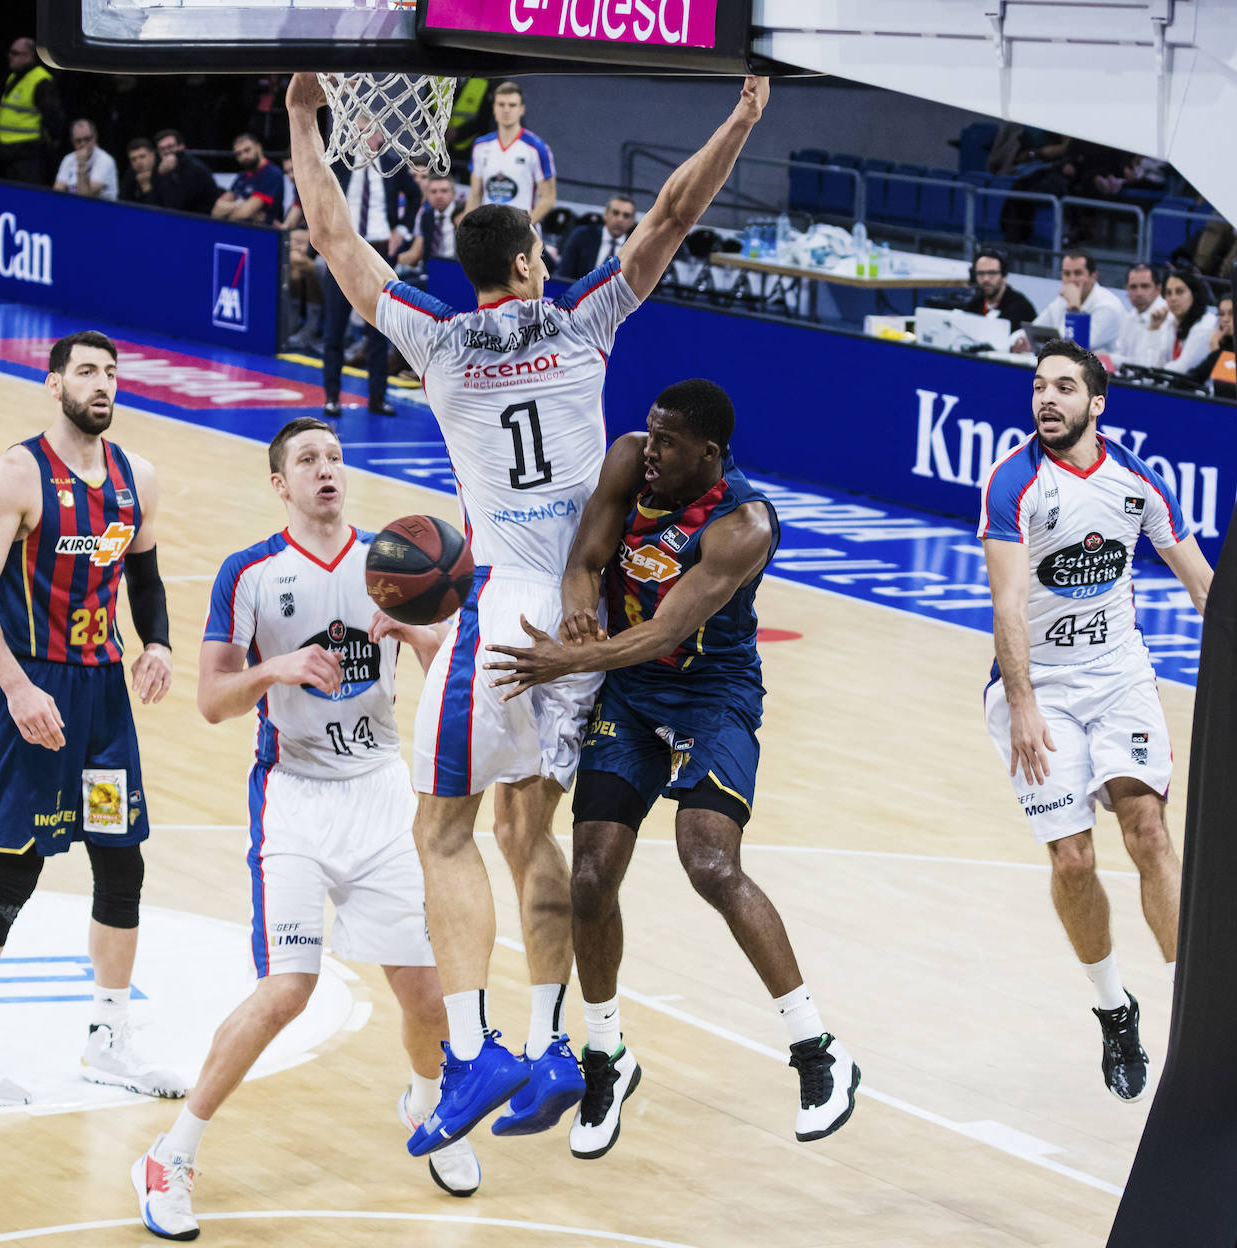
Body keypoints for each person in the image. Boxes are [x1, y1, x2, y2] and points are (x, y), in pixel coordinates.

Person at [286, 69, 770, 1156]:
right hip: (588, 628)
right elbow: (675, 213)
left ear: (474, 275)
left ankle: (473, 1052)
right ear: (528, 262)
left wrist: (303, 119)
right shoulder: (589, 320)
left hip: (504, 619)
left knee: (440, 832)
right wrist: (737, 122)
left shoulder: (440, 342)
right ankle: (558, 1045)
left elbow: (332, 232)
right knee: (525, 832)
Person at [485, 378, 861, 1155]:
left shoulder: (744, 525)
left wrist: (565, 658)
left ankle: (818, 1049)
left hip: (710, 698)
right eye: (650, 433)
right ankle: (606, 1055)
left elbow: (666, 631)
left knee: (710, 863)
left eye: (667, 442)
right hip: (630, 694)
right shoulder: (628, 462)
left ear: (710, 454)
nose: (648, 450)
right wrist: (581, 600)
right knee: (590, 876)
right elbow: (586, 557)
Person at [132, 418, 480, 1241]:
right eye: (306, 461)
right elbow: (213, 702)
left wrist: (423, 634)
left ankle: (427, 1105)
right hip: (292, 797)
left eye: (334, 456)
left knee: (424, 988)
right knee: (289, 988)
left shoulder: (392, 562)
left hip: (381, 795)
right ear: (279, 484)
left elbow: (445, 675)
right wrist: (275, 668)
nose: (326, 469)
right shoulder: (249, 573)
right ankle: (171, 1154)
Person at [0, 331, 183, 1108]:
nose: (102, 386)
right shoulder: (19, 472)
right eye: (87, 373)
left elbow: (146, 574)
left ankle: (109, 1038)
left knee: (120, 860)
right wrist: (18, 688)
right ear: (54, 382)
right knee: (15, 867)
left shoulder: (137, 478)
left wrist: (156, 642)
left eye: (112, 375)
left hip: (102, 709)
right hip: (36, 700)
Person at [978, 338, 1213, 1102]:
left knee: (1147, 829)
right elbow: (1007, 603)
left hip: (1119, 678)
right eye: (1040, 386)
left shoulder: (1136, 482)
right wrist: (1020, 705)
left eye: (1065, 388)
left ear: (1096, 404)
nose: (1047, 399)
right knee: (1074, 862)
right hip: (1038, 687)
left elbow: (1202, 582)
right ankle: (1115, 1009)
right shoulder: (1013, 480)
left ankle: (1194, 1026)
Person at [317, 133, 419, 417]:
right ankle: (332, 397)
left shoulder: (392, 164)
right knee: (334, 327)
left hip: (378, 248)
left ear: (381, 136)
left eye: (371, 131)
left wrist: (403, 229)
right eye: (360, 131)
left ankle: (377, 398)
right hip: (342, 246)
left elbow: (415, 196)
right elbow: (317, 195)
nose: (366, 138)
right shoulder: (338, 162)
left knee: (378, 329)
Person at [461, 82, 556, 231]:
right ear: (494, 108)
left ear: (521, 109)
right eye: (501, 104)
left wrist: (522, 227)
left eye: (512, 105)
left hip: (523, 233)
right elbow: (475, 194)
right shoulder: (480, 146)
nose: (506, 110)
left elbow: (548, 198)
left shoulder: (537, 148)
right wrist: (467, 228)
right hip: (488, 232)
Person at [1011, 250, 1124, 354]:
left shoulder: (1108, 306)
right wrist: (1021, 340)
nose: (1071, 280)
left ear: (1093, 277)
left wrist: (1073, 306)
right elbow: (1034, 328)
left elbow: (1075, 346)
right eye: (1067, 273)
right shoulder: (1061, 301)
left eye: (1078, 273)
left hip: (1101, 373)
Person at [0, 37, 64, 186]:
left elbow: (53, 118)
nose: (10, 56)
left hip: (27, 154)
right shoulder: (13, 77)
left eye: (15, 53)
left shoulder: (41, 81)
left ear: (28, 57)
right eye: (10, 52)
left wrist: (51, 143)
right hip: (6, 152)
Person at [556, 195, 638, 281]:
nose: (620, 219)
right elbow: (563, 275)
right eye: (615, 213)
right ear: (605, 214)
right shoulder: (582, 236)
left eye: (626, 215)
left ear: (632, 221)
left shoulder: (637, 248)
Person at [212, 134, 284, 226]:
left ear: (259, 147)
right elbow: (217, 209)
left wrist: (229, 211)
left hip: (263, 233)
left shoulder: (271, 174)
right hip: (237, 229)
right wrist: (240, 204)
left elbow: (245, 212)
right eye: (239, 154)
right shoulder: (242, 176)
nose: (244, 156)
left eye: (247, 150)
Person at [395, 175, 465, 269]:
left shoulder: (463, 214)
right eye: (433, 192)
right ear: (427, 195)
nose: (439, 196)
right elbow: (416, 253)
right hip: (430, 270)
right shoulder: (425, 216)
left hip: (458, 269)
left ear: (454, 193)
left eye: (444, 191)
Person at [1158, 268, 1218, 375]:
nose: (1173, 298)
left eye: (1179, 292)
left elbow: (1183, 368)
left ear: (1194, 294)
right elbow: (1155, 360)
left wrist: (1154, 372)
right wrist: (1153, 329)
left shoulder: (1206, 324)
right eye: (1168, 293)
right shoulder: (1169, 321)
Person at [960, 247, 1036, 327]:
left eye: (992, 273)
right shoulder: (974, 305)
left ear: (1004, 277)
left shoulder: (1021, 308)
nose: (986, 279)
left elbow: (1046, 339)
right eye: (981, 273)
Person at [1111, 263, 1169, 368]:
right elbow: (1119, 353)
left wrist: (1110, 358)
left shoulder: (1167, 317)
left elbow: (1148, 365)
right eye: (1133, 287)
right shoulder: (1130, 317)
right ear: (1126, 290)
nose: (1139, 293)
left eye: (1145, 286)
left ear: (1158, 289)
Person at [152, 129, 221, 215]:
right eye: (162, 149)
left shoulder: (195, 168)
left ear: (181, 147)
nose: (166, 152)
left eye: (170, 147)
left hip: (203, 219)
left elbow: (178, 205)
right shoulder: (158, 168)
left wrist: (165, 175)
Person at [54, 118, 119, 201]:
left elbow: (84, 197)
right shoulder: (68, 159)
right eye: (78, 141)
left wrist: (81, 163)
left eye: (87, 139)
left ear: (95, 137)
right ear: (72, 141)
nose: (83, 144)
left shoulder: (105, 160)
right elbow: (57, 192)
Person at [1187, 293, 1235, 401]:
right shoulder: (1222, 345)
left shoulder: (1218, 347)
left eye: (1232, 313)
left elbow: (1229, 389)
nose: (1225, 319)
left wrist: (1215, 351)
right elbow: (1195, 377)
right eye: (1221, 314)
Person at [119, 136, 159, 205]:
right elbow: (123, 202)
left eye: (142, 156)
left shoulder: (163, 171)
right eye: (133, 159)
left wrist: (146, 186)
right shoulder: (130, 174)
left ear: (153, 155)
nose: (138, 162)